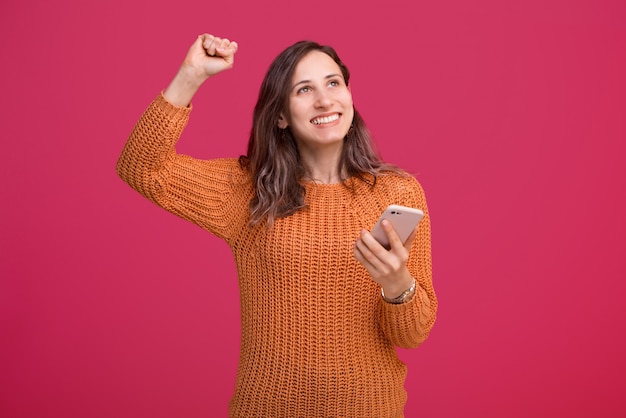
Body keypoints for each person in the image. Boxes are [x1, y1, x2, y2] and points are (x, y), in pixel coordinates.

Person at [117, 33, 437, 418]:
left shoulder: (397, 193)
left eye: (333, 83)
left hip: (371, 409)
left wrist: (397, 283)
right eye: (304, 89)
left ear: (349, 96)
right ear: (281, 115)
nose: (324, 100)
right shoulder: (248, 191)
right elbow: (141, 167)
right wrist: (191, 75)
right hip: (266, 409)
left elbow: (412, 335)